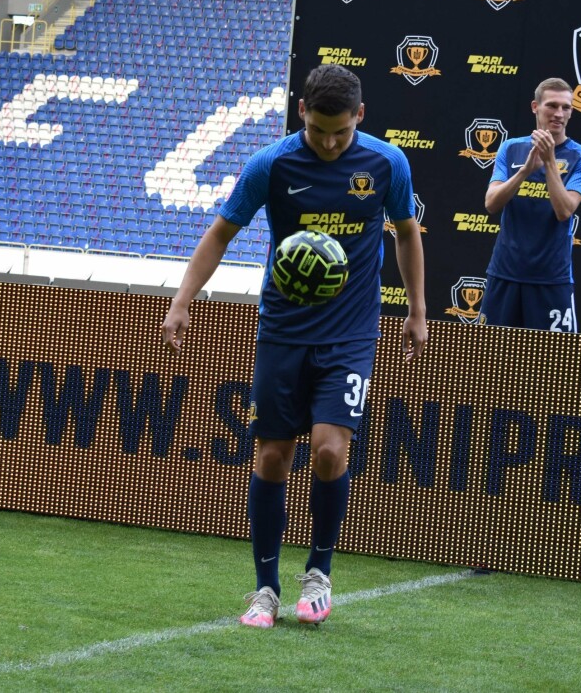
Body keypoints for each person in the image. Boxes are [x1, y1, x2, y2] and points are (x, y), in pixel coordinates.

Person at [161, 64, 428, 628]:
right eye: (319, 130)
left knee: (331, 451)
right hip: (283, 331)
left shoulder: (387, 163)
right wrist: (183, 299)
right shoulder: (272, 163)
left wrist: (417, 309)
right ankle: (265, 589)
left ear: (360, 116)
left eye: (341, 132)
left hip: (352, 333)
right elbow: (220, 232)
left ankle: (319, 572)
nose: (330, 143)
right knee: (272, 458)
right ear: (301, 111)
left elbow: (406, 233)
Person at [480, 77, 581, 332]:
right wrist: (524, 172)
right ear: (535, 107)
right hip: (505, 273)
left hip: (551, 279)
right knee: (489, 361)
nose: (559, 114)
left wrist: (549, 163)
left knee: (552, 365)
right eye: (552, 106)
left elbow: (564, 210)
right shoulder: (510, 148)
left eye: (566, 107)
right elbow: (491, 203)